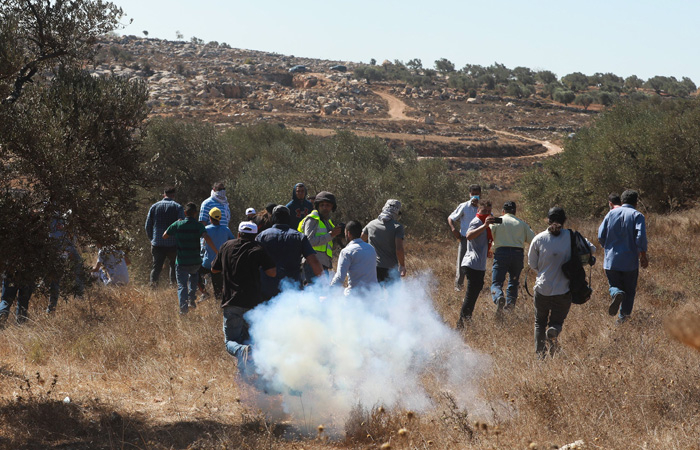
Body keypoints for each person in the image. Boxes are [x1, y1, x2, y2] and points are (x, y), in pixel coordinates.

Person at [528, 207, 596, 357]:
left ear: (547, 219)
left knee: (539, 322)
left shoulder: (538, 239)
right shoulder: (572, 236)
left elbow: (532, 264)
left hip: (542, 288)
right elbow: (592, 249)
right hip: (564, 289)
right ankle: (554, 330)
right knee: (557, 321)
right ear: (565, 220)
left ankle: (540, 355)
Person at [211, 221, 276, 363]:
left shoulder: (226, 246)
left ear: (239, 234)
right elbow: (272, 272)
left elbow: (214, 269)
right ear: (255, 235)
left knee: (231, 342)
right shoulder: (258, 248)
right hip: (252, 303)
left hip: (231, 301)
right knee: (249, 338)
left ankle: (241, 351)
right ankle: (248, 370)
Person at [598, 189, 648, 323]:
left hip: (611, 261)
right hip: (629, 261)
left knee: (614, 285)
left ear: (621, 201)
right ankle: (622, 319)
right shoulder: (637, 215)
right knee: (629, 291)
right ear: (636, 203)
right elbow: (640, 237)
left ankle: (615, 293)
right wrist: (643, 254)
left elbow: (600, 235)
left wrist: (608, 248)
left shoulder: (610, 214)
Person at [255, 205, 323, 301]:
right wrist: (324, 282)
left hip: (267, 289)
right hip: (292, 290)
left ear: (273, 219)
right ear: (288, 219)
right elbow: (314, 261)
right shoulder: (299, 237)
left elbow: (254, 261)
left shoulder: (261, 236)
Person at [163, 203, 217, 314]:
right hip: (195, 261)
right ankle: (191, 299)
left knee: (182, 285)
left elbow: (164, 235)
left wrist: (176, 224)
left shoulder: (178, 225)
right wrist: (217, 252)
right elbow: (206, 237)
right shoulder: (199, 226)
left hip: (182, 261)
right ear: (195, 213)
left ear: (185, 213)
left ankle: (183, 310)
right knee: (193, 278)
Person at [489, 201, 535, 312]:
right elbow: (533, 240)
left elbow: (488, 234)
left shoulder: (497, 221)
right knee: (513, 282)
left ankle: (499, 297)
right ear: (515, 211)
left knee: (496, 282)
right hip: (517, 255)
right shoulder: (521, 224)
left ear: (503, 211)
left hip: (501, 254)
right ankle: (510, 308)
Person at [456, 200, 495, 329]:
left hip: (479, 264)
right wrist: (484, 226)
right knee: (471, 294)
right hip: (472, 263)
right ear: (478, 211)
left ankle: (466, 320)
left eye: (489, 212)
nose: (487, 214)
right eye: (484, 211)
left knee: (475, 292)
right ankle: (461, 324)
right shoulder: (476, 221)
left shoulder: (485, 223)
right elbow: (469, 236)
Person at [298, 191, 342, 281]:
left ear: (332, 207)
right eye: (322, 205)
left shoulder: (327, 222)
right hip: (312, 264)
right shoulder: (312, 219)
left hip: (323, 264)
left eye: (327, 205)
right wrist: (330, 235)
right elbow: (309, 241)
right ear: (317, 206)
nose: (324, 208)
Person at [145, 186, 184, 286]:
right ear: (173, 195)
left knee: (156, 267)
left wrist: (152, 239)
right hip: (173, 243)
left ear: (164, 195)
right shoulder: (177, 207)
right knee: (174, 265)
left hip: (157, 243)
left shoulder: (154, 206)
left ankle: (153, 287)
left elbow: (148, 225)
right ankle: (173, 286)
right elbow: (181, 225)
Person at [361, 199, 406, 283]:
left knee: (375, 294)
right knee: (394, 295)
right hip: (391, 269)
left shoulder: (371, 224)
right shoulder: (397, 227)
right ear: (396, 212)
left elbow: (360, 241)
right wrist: (402, 265)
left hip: (373, 267)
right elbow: (399, 249)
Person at [448, 184, 482, 291]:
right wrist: (454, 229)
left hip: (479, 240)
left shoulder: (482, 208)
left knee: (477, 263)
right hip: (465, 239)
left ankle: (475, 286)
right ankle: (459, 286)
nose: (474, 196)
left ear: (480, 194)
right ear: (469, 194)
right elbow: (451, 218)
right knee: (461, 263)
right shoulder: (464, 206)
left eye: (477, 194)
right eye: (473, 194)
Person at [330, 221, 378, 294]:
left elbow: (340, 278)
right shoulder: (371, 248)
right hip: (374, 294)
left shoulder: (346, 252)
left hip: (356, 297)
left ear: (348, 233)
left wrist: (328, 292)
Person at [198, 207, 234, 301]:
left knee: (195, 274)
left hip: (207, 262)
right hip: (219, 264)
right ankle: (218, 305)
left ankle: (204, 293)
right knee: (217, 288)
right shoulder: (226, 230)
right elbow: (233, 242)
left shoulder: (206, 229)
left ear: (210, 218)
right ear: (220, 218)